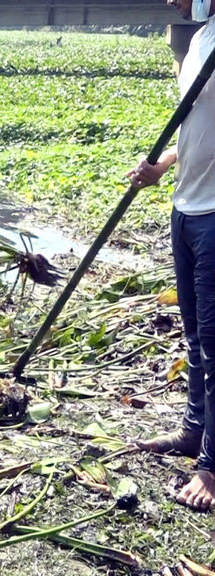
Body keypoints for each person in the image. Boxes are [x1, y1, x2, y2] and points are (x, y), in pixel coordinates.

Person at [125, 0, 215, 513]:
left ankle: (212, 466)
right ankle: (194, 431)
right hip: (185, 205)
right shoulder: (202, 38)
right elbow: (197, 125)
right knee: (195, 334)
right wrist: (162, 166)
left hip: (214, 216)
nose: (171, 2)